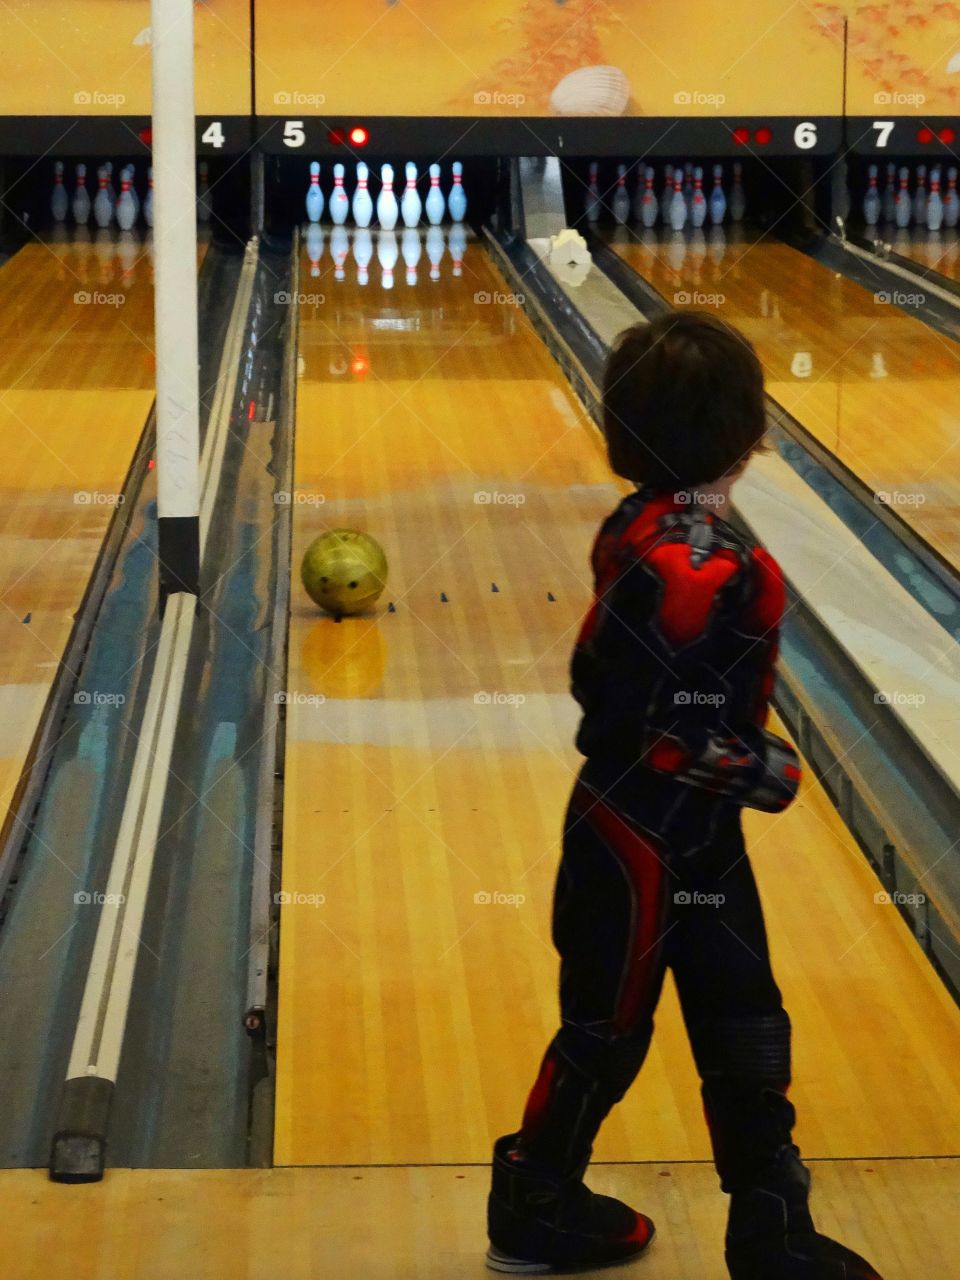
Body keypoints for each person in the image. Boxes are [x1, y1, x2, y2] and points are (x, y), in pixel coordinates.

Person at [486, 312, 883, 1279]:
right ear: (753, 434)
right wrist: (772, 773)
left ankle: (770, 1225)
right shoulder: (707, 565)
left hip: (670, 829)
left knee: (746, 1014)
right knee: (609, 1026)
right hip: (641, 832)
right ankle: (534, 1202)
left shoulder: (642, 526)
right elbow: (659, 730)